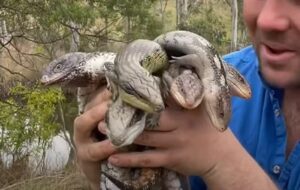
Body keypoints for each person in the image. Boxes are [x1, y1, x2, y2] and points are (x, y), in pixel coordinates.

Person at [73, 0, 300, 189]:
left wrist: (223, 161)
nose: (267, 19)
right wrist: (113, 172)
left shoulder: (215, 90)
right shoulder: (205, 77)